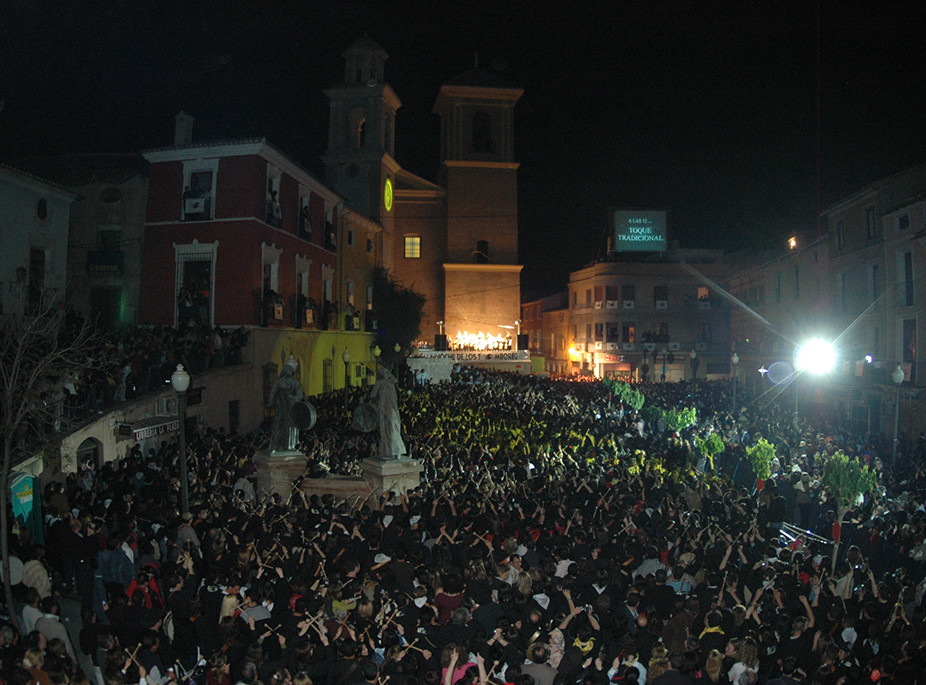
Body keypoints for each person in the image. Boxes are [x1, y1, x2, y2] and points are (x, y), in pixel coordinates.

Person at [266, 365, 304, 453]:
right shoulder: (279, 382)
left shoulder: (295, 382)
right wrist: (270, 403)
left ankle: (291, 444)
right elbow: (273, 393)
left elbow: (300, 395)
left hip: (291, 408)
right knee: (278, 424)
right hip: (281, 407)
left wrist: (293, 398)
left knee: (291, 426)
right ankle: (276, 444)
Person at [371, 366, 406, 459]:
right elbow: (373, 395)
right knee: (386, 428)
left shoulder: (390, 383)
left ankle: (396, 449)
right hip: (383, 409)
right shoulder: (381, 384)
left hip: (391, 408)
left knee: (392, 427)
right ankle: (387, 450)